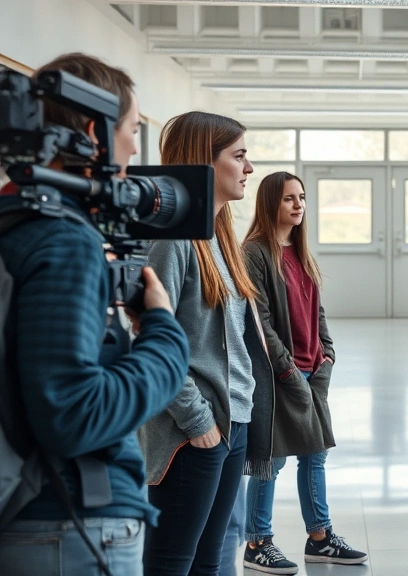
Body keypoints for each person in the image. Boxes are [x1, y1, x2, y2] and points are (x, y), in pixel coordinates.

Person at [0, 52, 189, 576]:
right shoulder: (64, 241)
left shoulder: (14, 222)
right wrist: (164, 334)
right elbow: (74, 415)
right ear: (94, 130)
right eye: (132, 130)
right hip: (69, 524)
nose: (134, 146)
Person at [140, 111, 276, 576]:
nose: (249, 168)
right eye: (239, 156)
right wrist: (197, 420)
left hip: (233, 420)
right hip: (193, 429)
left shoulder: (219, 233)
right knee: (172, 562)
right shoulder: (172, 237)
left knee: (209, 561)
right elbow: (150, 338)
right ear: (204, 160)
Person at [239, 171, 367, 573]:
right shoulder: (254, 252)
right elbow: (260, 322)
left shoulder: (300, 249)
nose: (299, 205)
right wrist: (288, 371)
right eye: (290, 198)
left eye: (303, 197)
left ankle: (320, 537)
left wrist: (327, 354)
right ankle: (257, 542)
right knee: (271, 459)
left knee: (315, 455)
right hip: (281, 376)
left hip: (313, 370)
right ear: (270, 203)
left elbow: (317, 311)